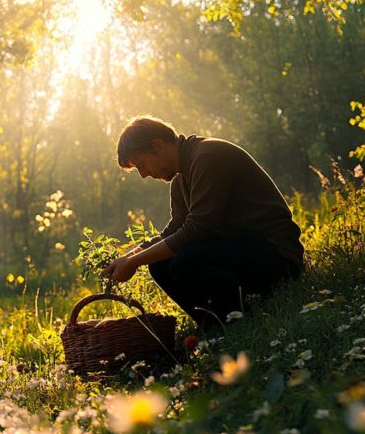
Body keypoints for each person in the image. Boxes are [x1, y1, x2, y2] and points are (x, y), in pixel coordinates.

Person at [102, 115, 304, 327]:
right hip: (241, 250)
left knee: (186, 260)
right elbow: (173, 231)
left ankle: (241, 318)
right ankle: (215, 326)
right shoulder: (180, 180)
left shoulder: (207, 157)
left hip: (277, 256)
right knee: (159, 264)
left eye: (142, 165)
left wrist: (134, 262)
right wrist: (130, 257)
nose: (143, 175)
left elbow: (198, 229)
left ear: (158, 145)